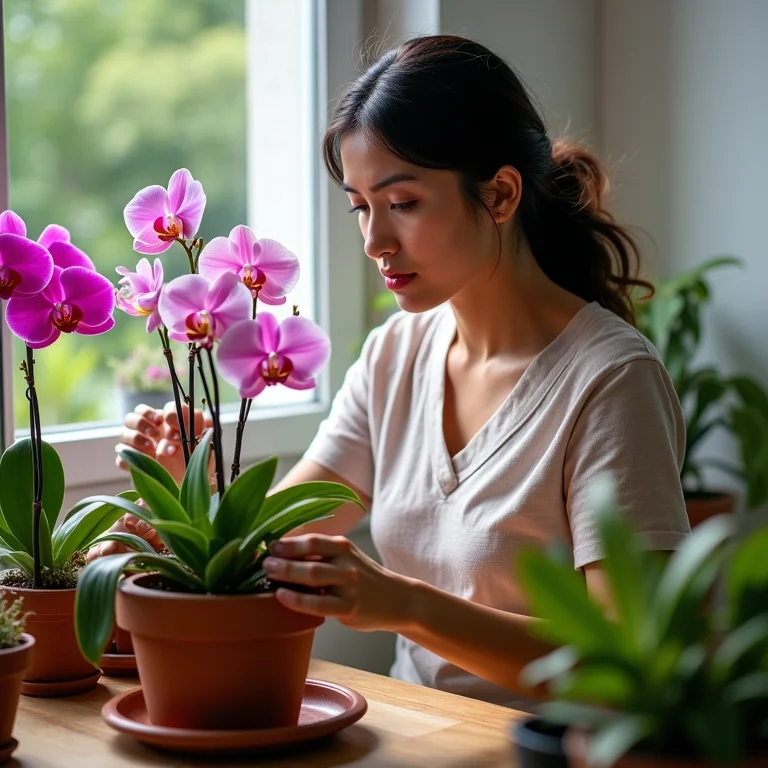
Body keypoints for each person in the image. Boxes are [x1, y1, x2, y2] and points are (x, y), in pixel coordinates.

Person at [92, 35, 690, 710]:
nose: (375, 240)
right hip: (414, 735)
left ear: (499, 195)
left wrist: (406, 606)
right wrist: (191, 487)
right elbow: (281, 542)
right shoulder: (394, 355)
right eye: (359, 206)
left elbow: (630, 659)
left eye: (401, 202)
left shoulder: (610, 382)